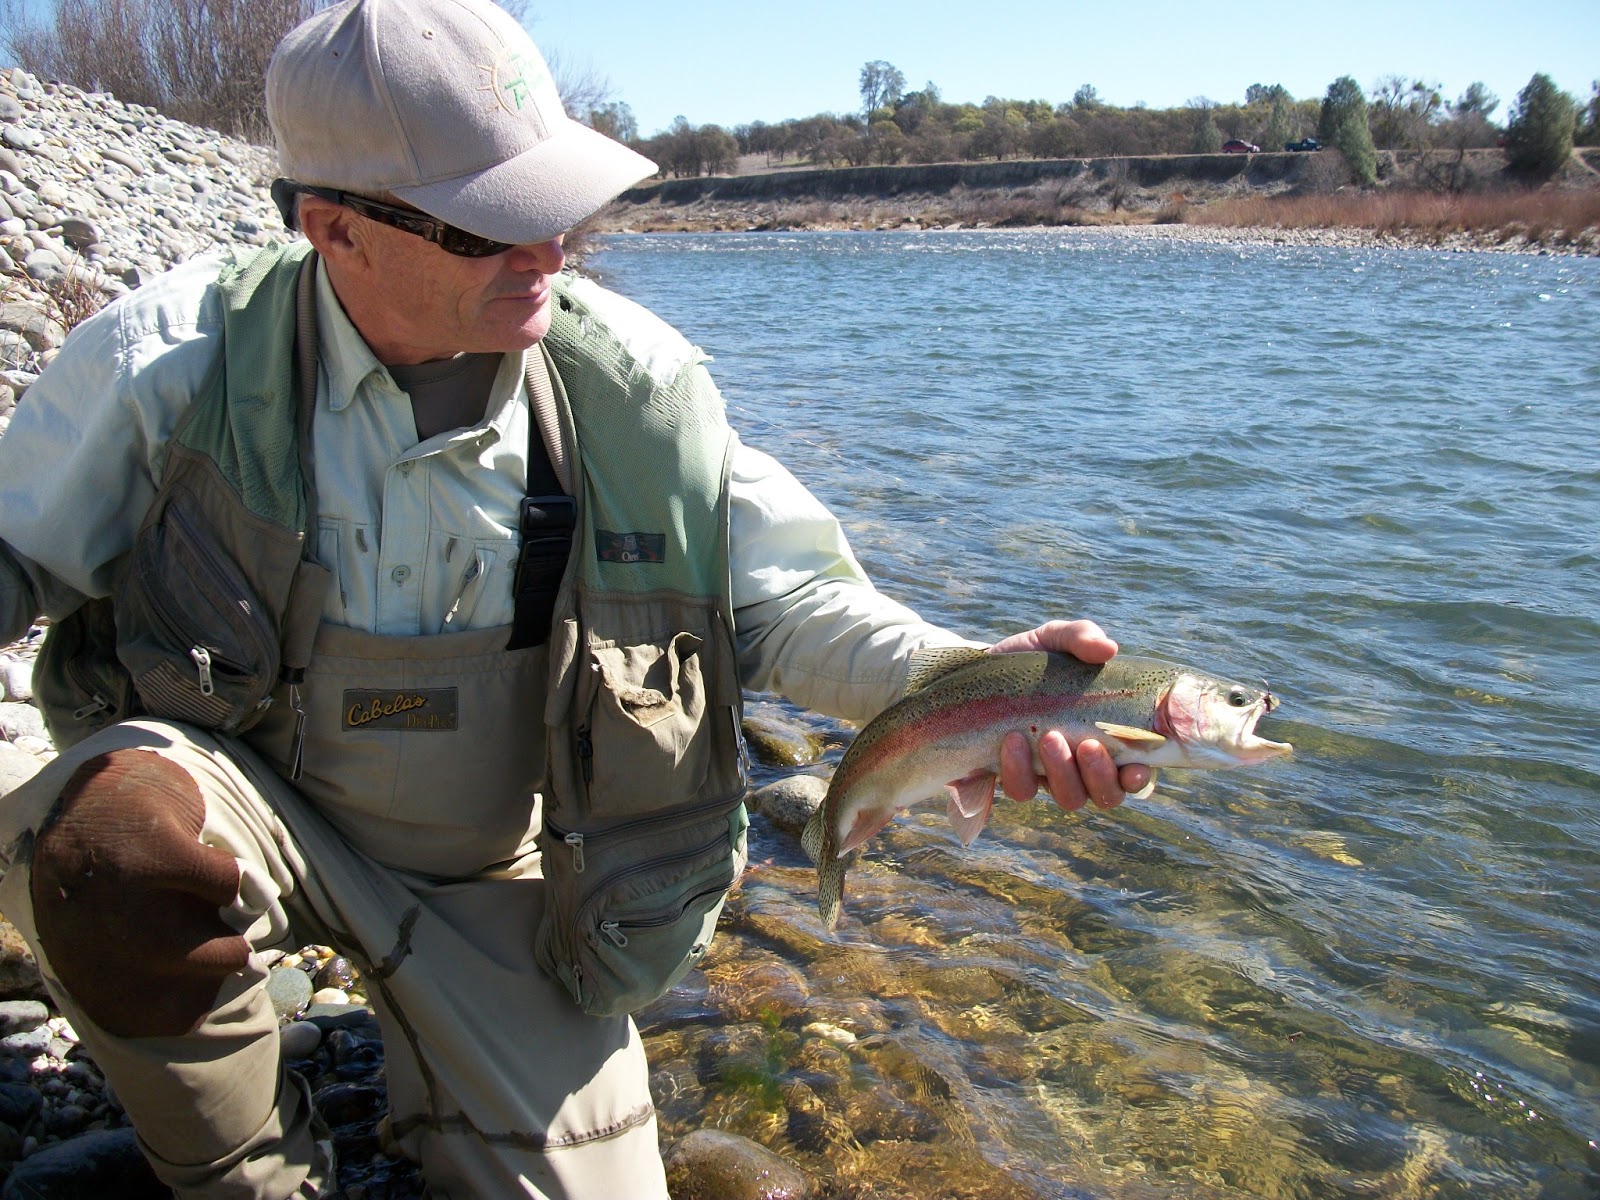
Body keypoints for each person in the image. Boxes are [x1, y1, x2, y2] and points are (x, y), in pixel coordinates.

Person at [0, 0, 1149, 1196]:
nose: (548, 249)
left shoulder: (635, 391)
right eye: (492, 223)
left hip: (499, 887)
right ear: (334, 229)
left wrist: (979, 687)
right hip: (239, 813)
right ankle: (239, 1172)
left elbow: (788, 603)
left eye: (558, 206)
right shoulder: (167, 365)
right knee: (112, 848)